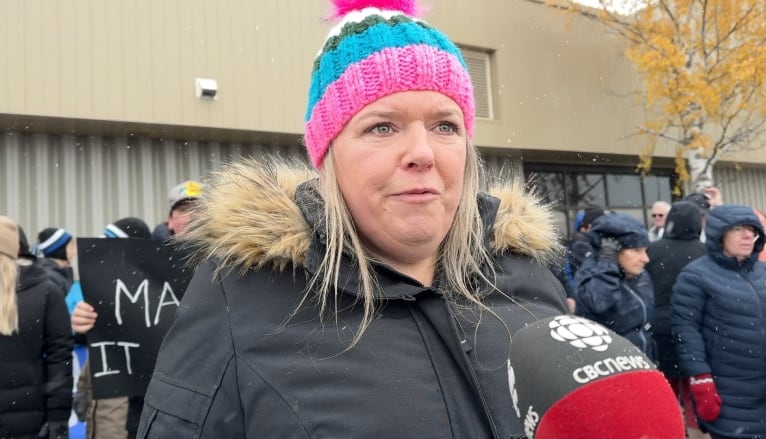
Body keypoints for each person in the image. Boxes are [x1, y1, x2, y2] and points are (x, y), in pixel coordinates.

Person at [137, 1, 568, 437]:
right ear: (328, 156)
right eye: (382, 127)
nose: (423, 153)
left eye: (445, 126)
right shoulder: (239, 302)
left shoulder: (529, 280)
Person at [671, 205, 766, 438]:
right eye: (739, 229)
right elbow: (686, 330)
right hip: (731, 394)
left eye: (752, 229)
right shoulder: (696, 276)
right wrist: (701, 379)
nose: (748, 235)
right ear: (719, 233)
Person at [70, 217, 151, 439]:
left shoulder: (156, 295)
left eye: (109, 250)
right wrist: (80, 326)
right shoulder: (100, 292)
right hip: (104, 414)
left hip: (135, 416)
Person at [0, 216, 73, 439]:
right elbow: (60, 359)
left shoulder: (44, 290)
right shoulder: (47, 291)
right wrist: (58, 419)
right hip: (30, 418)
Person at [645, 201, 707, 437]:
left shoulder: (653, 250)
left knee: (665, 388)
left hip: (660, 328)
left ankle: (669, 430)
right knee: (694, 389)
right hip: (695, 328)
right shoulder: (705, 252)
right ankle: (696, 431)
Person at [574, 212, 655, 359]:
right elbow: (598, 303)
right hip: (610, 365)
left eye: (645, 250)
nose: (645, 258)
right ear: (613, 249)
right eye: (636, 250)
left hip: (641, 363)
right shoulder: (592, 274)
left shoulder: (640, 275)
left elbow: (645, 328)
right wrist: (608, 265)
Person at [34, 227, 77, 296]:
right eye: (71, 248)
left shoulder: (58, 275)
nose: (75, 252)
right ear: (60, 250)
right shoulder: (50, 278)